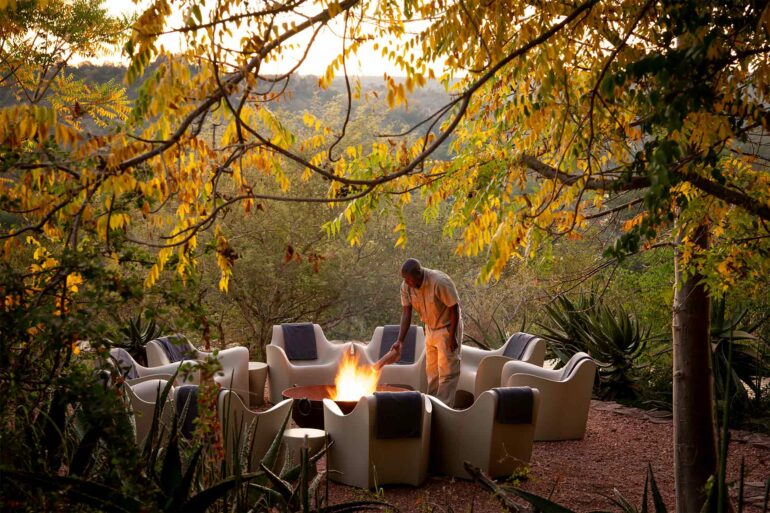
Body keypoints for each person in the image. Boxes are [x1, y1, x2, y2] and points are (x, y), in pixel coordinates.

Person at [378, 258, 463, 406]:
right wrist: (400, 340)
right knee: (432, 372)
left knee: (447, 373)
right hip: (430, 329)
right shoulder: (406, 286)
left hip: (447, 327)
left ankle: (444, 409)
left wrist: (452, 337)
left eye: (409, 278)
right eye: (404, 279)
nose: (406, 282)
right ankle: (432, 406)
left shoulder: (439, 281)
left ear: (418, 273)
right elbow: (406, 312)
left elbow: (454, 308)